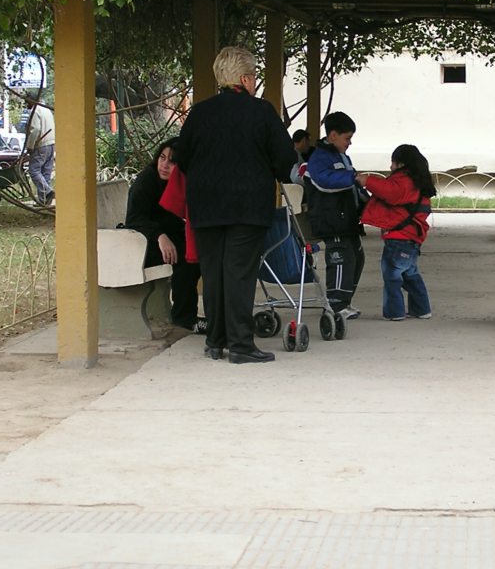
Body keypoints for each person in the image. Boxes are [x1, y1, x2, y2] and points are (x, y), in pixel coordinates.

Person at [177, 46, 295, 364]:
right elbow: (284, 159)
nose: (255, 81)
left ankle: (215, 341)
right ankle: (241, 345)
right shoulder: (261, 112)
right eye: (254, 76)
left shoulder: (200, 113)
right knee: (239, 273)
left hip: (206, 205)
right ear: (244, 78)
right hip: (247, 205)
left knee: (213, 273)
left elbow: (182, 156)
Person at [125, 138, 205, 333]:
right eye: (162, 157)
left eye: (172, 161)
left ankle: (200, 315)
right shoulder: (148, 180)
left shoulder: (181, 182)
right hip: (140, 244)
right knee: (187, 260)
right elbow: (134, 218)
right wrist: (160, 236)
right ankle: (184, 318)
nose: (165, 165)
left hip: (167, 239)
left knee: (200, 253)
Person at [357, 144, 435, 321]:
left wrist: (366, 180)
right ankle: (422, 309)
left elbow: (389, 191)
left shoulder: (403, 182)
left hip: (398, 239)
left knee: (392, 276)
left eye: (393, 163)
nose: (390, 167)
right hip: (412, 239)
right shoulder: (419, 183)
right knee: (410, 275)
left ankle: (395, 312)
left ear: (400, 164)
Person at [304, 111, 366, 320]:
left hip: (346, 219)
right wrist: (353, 178)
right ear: (332, 136)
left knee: (357, 257)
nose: (349, 143)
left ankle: (344, 300)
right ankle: (335, 305)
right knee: (341, 259)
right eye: (347, 138)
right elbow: (324, 182)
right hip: (331, 220)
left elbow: (352, 185)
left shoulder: (342, 157)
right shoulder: (319, 158)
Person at [24, 92, 55, 206]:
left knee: (34, 171)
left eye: (27, 101)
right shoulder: (46, 110)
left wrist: (30, 146)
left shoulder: (35, 111)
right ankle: (44, 201)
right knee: (45, 173)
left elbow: (35, 129)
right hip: (51, 144)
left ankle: (48, 191)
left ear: (32, 100)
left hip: (41, 144)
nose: (25, 104)